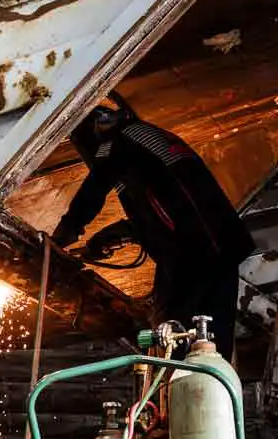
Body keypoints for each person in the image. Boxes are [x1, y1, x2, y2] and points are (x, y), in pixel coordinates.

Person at [52, 98, 254, 355]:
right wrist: (117, 233)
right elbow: (169, 203)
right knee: (211, 337)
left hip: (198, 253)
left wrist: (66, 231)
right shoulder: (141, 137)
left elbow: (94, 189)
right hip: (218, 246)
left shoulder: (116, 143)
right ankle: (212, 387)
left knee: (174, 332)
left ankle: (184, 387)